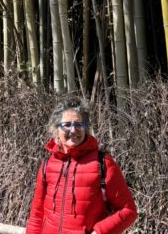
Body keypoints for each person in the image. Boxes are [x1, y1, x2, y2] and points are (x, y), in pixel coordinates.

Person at [26, 99, 138, 234]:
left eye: (79, 124)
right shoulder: (47, 165)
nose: (73, 130)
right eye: (66, 125)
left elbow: (128, 210)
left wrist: (99, 232)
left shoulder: (102, 163)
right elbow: (36, 216)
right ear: (56, 128)